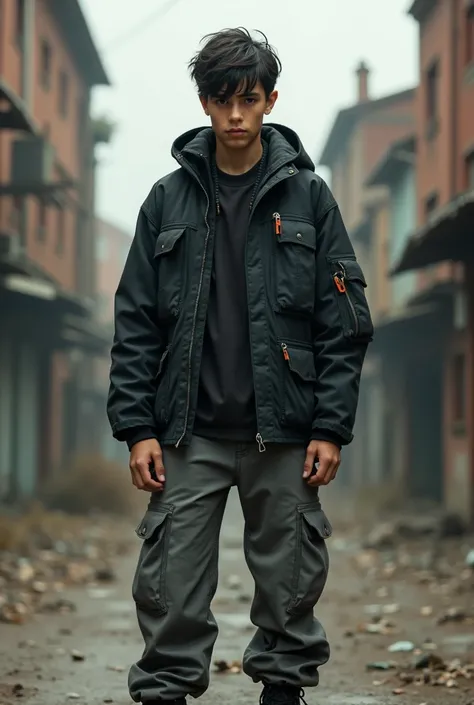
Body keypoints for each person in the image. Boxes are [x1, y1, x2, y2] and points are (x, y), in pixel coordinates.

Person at [107, 27, 373, 705]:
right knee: (172, 581)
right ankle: (165, 690)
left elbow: (343, 324)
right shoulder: (167, 200)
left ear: (269, 100)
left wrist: (330, 427)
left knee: (289, 582)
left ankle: (283, 691)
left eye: (248, 99)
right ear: (203, 102)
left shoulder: (309, 198)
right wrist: (138, 426)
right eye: (222, 99)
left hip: (283, 429)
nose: (235, 114)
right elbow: (135, 319)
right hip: (187, 431)